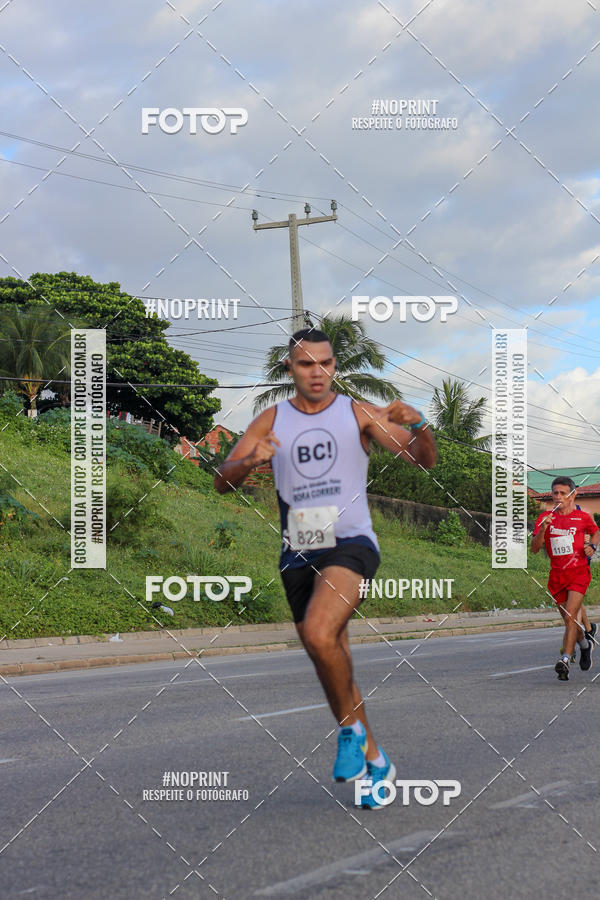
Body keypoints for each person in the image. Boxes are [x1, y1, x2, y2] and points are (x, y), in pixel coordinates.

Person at [214, 328, 437, 808]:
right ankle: (377, 761)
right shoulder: (271, 419)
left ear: (335, 366)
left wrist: (419, 423)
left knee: (318, 634)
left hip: (350, 545)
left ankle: (350, 732)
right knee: (329, 653)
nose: (318, 372)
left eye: (326, 363)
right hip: (298, 549)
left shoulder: (357, 412)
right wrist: (250, 460)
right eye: (306, 364)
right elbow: (220, 481)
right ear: (290, 370)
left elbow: (424, 462)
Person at [531, 477, 599, 680]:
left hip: (579, 573)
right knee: (570, 623)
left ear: (572, 495)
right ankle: (585, 645)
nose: (558, 497)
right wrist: (543, 528)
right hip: (557, 576)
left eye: (562, 493)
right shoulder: (545, 517)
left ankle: (565, 660)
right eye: (555, 493)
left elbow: (596, 532)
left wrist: (592, 547)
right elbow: (534, 549)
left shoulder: (582, 517)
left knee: (571, 617)